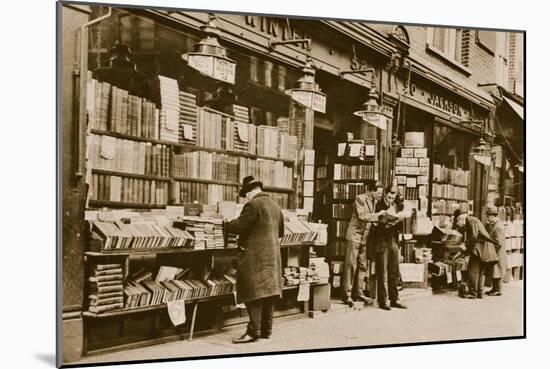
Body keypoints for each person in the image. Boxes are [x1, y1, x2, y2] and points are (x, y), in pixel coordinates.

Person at [225, 176, 284, 343]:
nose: (246, 198)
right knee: (268, 294)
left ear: (250, 192)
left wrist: (226, 224)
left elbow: (238, 226)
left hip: (255, 258)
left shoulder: (253, 204)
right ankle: (266, 330)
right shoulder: (275, 206)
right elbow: (280, 233)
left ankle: (253, 332)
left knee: (253, 293)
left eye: (246, 194)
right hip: (272, 258)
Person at [342, 182, 384, 307]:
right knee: (351, 265)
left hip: (364, 238)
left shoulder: (373, 201)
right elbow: (362, 216)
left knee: (363, 266)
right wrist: (378, 216)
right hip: (354, 236)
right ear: (371, 190)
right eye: (378, 193)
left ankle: (358, 293)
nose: (380, 195)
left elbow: (369, 220)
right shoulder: (360, 198)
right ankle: (347, 295)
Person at [370, 186, 408, 310]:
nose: (391, 200)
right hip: (382, 241)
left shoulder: (396, 206)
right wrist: (385, 224)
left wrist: (397, 221)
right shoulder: (378, 206)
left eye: (393, 197)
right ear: (385, 194)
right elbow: (374, 226)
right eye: (389, 197)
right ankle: (383, 301)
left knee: (394, 271)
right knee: (383, 273)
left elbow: (398, 226)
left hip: (393, 241)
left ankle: (395, 299)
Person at [453, 209, 501, 299]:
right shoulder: (472, 221)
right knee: (480, 272)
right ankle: (479, 293)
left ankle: (472, 293)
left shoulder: (471, 220)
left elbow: (474, 236)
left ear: (460, 218)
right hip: (483, 250)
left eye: (458, 221)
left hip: (479, 250)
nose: (459, 224)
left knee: (472, 271)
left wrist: (465, 247)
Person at [485, 206, 507, 296]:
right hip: (496, 252)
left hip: (497, 253)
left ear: (492, 216)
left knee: (497, 271)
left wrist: (492, 251)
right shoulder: (495, 224)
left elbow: (499, 242)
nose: (487, 218)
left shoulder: (498, 226)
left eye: (488, 216)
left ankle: (498, 290)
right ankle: (494, 289)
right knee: (495, 272)